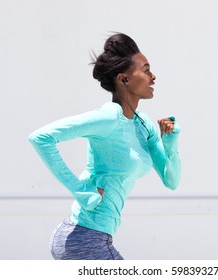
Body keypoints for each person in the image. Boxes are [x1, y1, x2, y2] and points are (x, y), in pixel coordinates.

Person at [28, 33, 181, 260]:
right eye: (146, 69)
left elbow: (171, 181)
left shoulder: (143, 125)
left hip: (94, 237)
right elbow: (40, 138)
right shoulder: (108, 118)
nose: (153, 76)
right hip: (84, 238)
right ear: (124, 79)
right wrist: (82, 191)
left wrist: (170, 142)